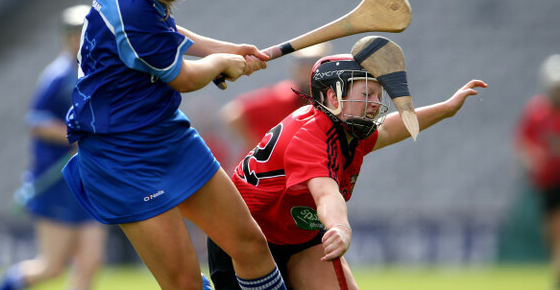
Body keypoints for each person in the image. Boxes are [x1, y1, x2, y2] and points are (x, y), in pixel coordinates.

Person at [60, 0, 288, 290]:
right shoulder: (129, 7)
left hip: (166, 134)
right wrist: (220, 63)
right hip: (120, 155)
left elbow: (165, 33)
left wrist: (225, 49)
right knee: (183, 283)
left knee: (250, 245)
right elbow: (182, 78)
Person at [208, 53, 487, 290]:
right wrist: (340, 226)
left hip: (299, 233)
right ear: (333, 96)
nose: (376, 103)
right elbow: (326, 194)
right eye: (367, 94)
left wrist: (446, 109)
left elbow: (388, 129)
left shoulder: (345, 126)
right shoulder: (310, 136)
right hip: (246, 237)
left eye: (378, 95)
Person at [0, 5, 107, 290]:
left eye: (84, 32)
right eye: (74, 33)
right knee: (51, 267)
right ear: (66, 38)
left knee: (90, 262)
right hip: (56, 181)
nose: (80, 39)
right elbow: (36, 121)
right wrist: (73, 137)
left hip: (87, 179)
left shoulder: (94, 72)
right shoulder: (58, 76)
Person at [221, 43, 332, 151]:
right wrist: (261, 150)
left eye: (311, 64)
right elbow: (233, 113)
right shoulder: (283, 97)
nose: (307, 71)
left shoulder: (332, 104)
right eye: (303, 65)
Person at [514, 54, 560, 288]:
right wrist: (531, 161)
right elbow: (524, 144)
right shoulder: (537, 112)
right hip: (548, 182)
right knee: (551, 233)